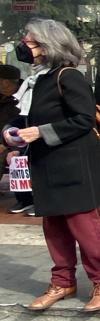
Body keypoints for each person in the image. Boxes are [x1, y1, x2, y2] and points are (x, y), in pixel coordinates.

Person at [1, 19, 100, 312]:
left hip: (73, 164)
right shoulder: (38, 79)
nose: (24, 46)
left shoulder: (68, 76)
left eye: (29, 42)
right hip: (46, 163)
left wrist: (41, 132)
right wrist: (11, 133)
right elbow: (28, 118)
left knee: (84, 227)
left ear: (48, 44)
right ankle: (62, 281)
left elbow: (84, 120)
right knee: (54, 227)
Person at [1, 64, 33, 214]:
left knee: (15, 158)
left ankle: (27, 199)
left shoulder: (25, 96)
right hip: (6, 137)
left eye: (6, 82)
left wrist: (7, 145)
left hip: (20, 140)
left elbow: (22, 124)